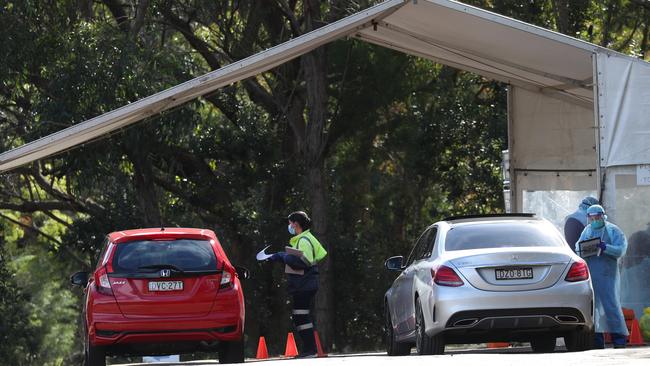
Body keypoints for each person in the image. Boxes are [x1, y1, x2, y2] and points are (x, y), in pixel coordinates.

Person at [267, 211, 328, 357]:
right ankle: (310, 349)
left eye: (290, 223)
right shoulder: (305, 238)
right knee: (302, 316)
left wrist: (282, 256)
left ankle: (310, 350)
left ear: (295, 224)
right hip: (306, 284)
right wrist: (284, 257)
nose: (289, 226)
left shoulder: (303, 240)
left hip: (304, 285)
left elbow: (303, 262)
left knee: (300, 316)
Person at [575, 204, 629, 348]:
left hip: (607, 276)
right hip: (592, 276)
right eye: (591, 217)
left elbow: (621, 250)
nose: (594, 220)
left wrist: (606, 248)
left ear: (603, 216)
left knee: (611, 306)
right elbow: (578, 248)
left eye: (597, 217)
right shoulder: (587, 230)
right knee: (595, 310)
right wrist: (585, 249)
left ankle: (619, 340)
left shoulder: (613, 231)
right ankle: (597, 341)